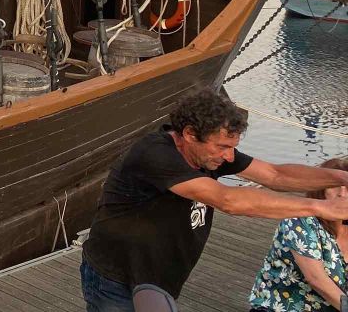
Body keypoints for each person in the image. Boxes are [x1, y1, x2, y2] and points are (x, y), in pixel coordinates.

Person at [80, 89, 348, 311]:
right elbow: (227, 200)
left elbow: (275, 175)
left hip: (158, 277)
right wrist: (320, 206)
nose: (230, 157)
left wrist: (341, 177)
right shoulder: (155, 155)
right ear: (189, 134)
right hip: (115, 279)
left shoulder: (209, 155)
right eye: (222, 147)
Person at [248, 157, 348, 312]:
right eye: (334, 186)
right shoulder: (300, 219)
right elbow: (317, 280)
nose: (342, 194)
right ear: (321, 190)